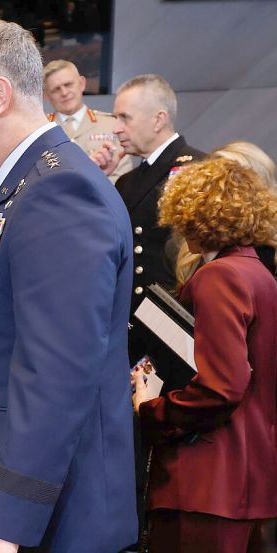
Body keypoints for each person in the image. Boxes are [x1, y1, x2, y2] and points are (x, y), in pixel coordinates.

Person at [0, 20, 137, 552]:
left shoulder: (58, 191)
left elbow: (57, 372)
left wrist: (4, 527)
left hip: (39, 521)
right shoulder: (27, 185)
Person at [132, 158, 277, 553]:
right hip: (244, 480)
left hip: (205, 481)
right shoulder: (258, 273)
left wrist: (151, 409)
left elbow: (221, 386)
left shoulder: (220, 277)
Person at [92, 74, 204, 391]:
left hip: (174, 331)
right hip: (134, 331)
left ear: (158, 119)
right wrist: (99, 180)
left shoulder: (194, 170)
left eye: (125, 117)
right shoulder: (128, 180)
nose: (116, 128)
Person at [175, 142, 277, 281]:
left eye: (233, 184)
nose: (220, 197)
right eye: (213, 183)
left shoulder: (268, 253)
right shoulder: (190, 247)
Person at [43, 59, 133, 181]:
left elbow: (123, 178)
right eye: (56, 89)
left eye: (68, 84)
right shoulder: (41, 129)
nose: (64, 92)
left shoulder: (112, 125)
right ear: (46, 96)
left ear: (81, 84)